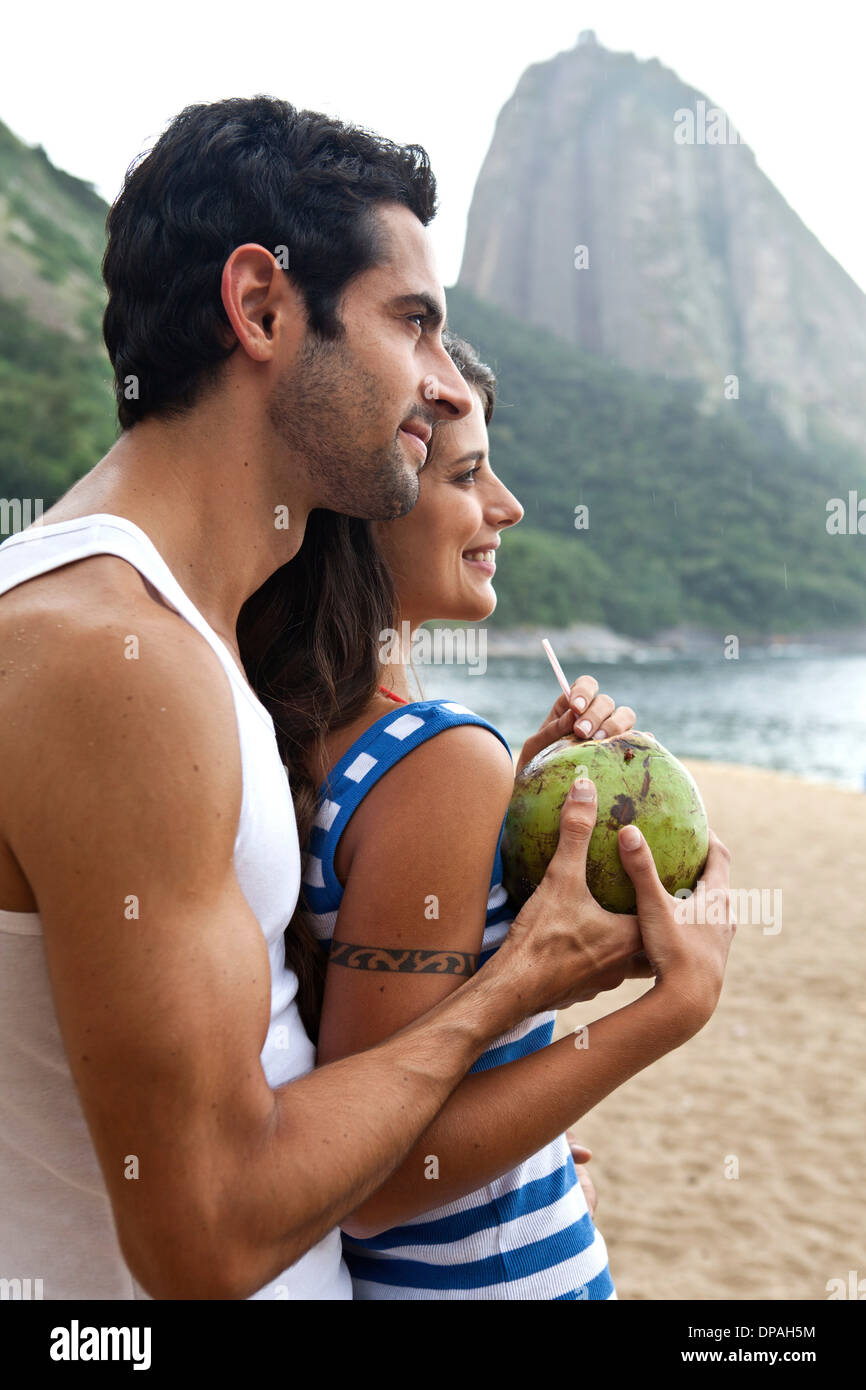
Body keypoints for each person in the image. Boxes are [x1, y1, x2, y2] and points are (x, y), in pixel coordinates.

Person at [0, 96, 733, 1302]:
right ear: (262, 307)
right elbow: (207, 1238)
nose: (441, 383)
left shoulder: (184, 637)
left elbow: (268, 1051)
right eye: (414, 325)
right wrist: (520, 984)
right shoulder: (114, 658)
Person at [267, 333, 733, 1298]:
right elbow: (382, 1178)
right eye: (469, 473)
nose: (510, 507)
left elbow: (370, 1057)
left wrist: (508, 793)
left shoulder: (317, 732)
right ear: (368, 504)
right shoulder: (433, 758)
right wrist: (670, 1011)